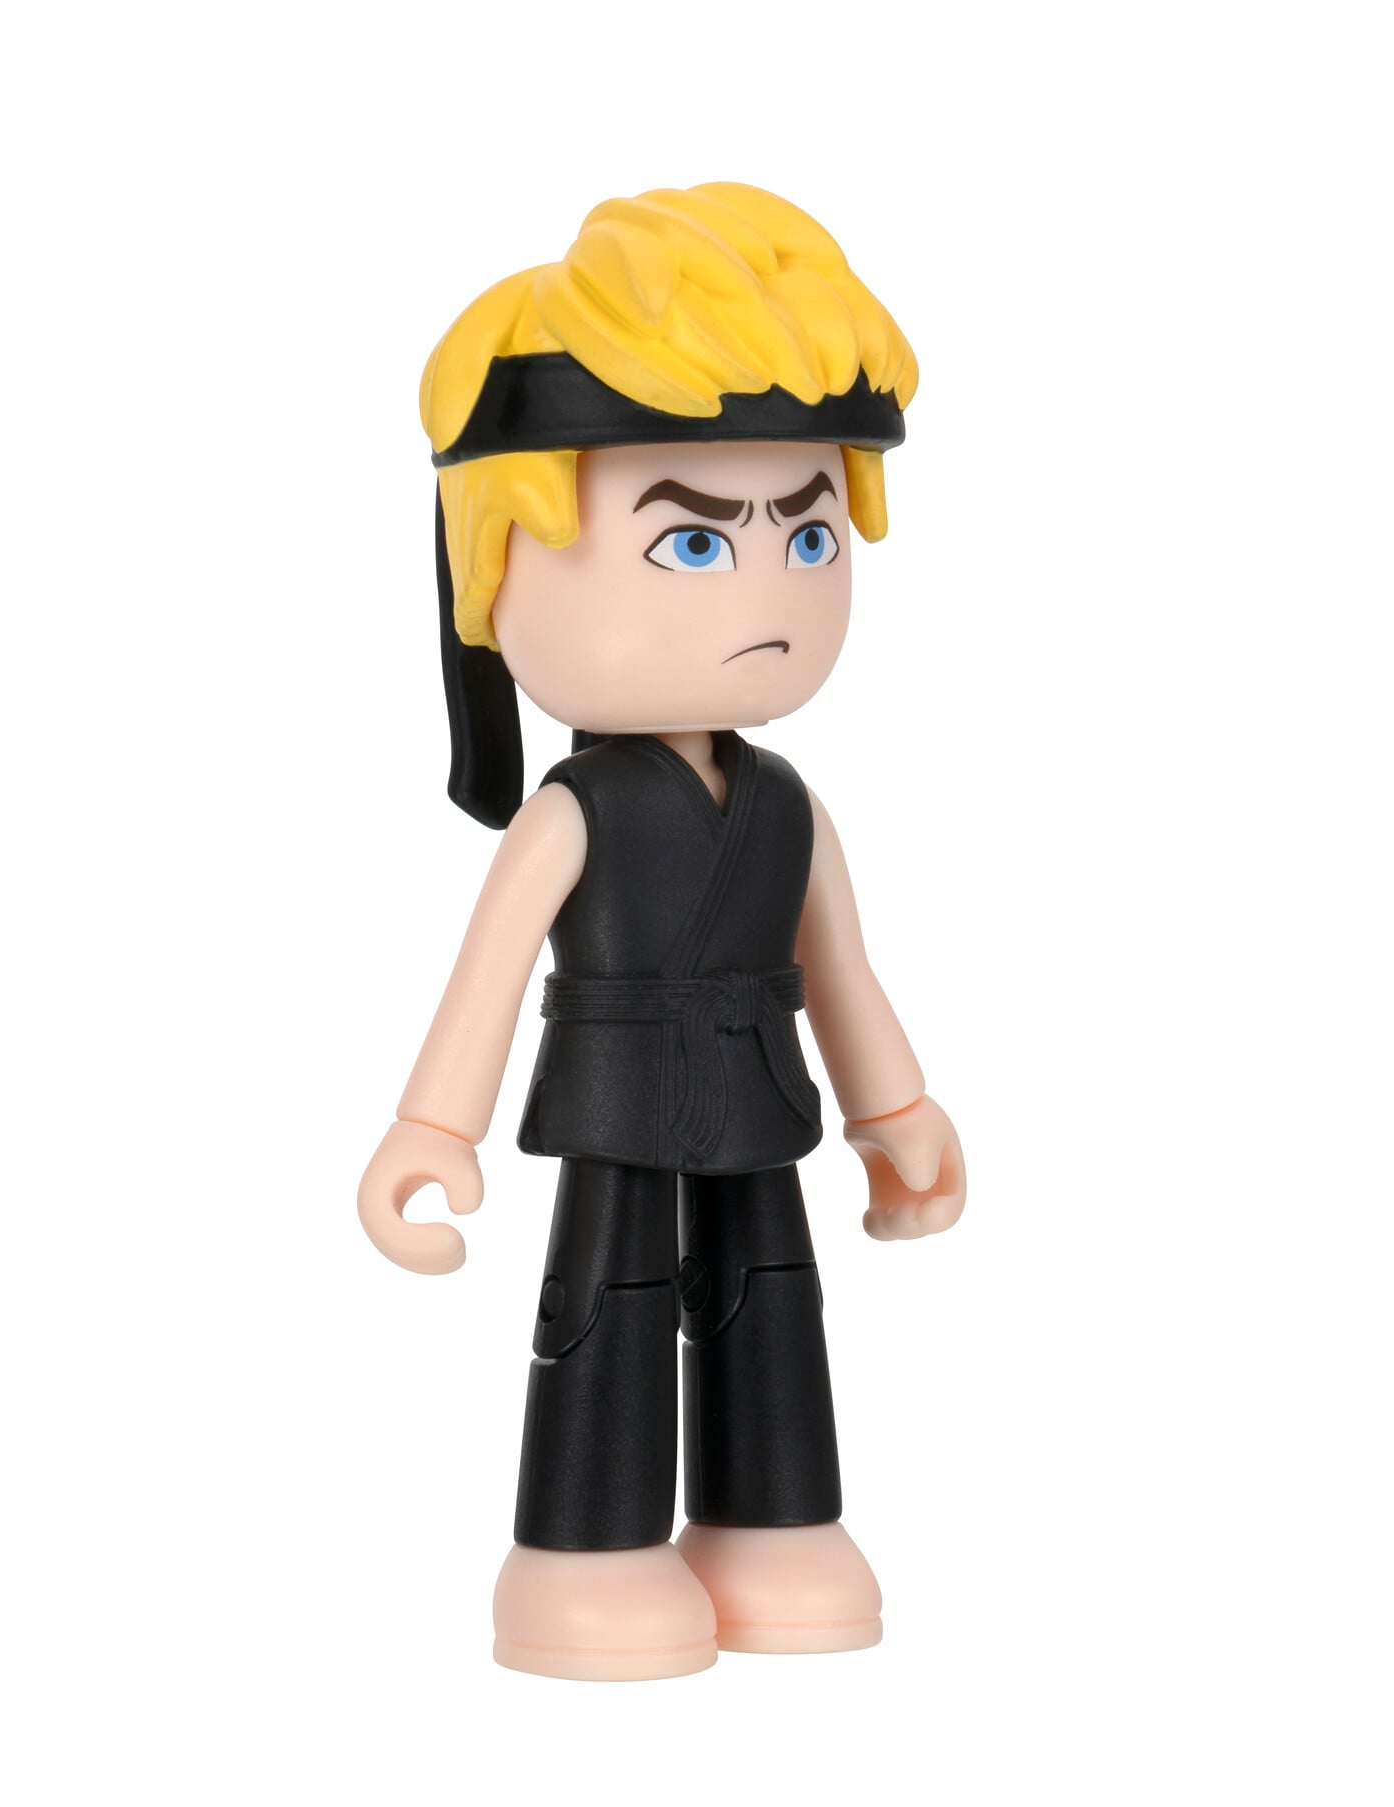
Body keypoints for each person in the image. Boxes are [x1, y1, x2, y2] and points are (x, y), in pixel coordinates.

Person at [357, 184, 967, 1679]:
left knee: (773, 1298)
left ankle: (775, 1527)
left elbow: (842, 970)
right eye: (693, 545)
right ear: (496, 570)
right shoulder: (573, 811)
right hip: (620, 1094)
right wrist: (433, 1127)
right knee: (610, 1303)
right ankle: (584, 1552)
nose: (769, 592)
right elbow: (490, 973)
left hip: (759, 1086)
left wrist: (895, 1109)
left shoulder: (788, 805)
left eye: (808, 539)